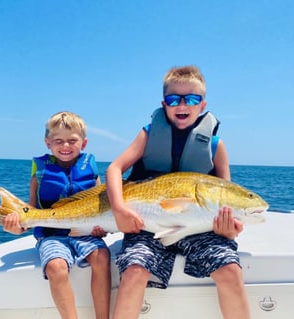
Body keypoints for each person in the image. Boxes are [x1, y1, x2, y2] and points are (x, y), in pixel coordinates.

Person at [105, 65, 250, 319]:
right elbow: (115, 168)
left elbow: (227, 195)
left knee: (229, 269)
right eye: (174, 99)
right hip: (147, 225)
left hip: (198, 229)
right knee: (134, 270)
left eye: (192, 98)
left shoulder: (216, 147)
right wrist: (118, 209)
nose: (182, 104)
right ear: (164, 103)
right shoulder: (148, 134)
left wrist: (229, 227)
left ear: (202, 104)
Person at [3, 111, 111, 319]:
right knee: (56, 267)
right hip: (53, 236)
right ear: (47, 142)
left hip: (86, 233)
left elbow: (100, 207)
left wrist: (102, 229)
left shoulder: (92, 170)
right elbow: (32, 212)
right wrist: (16, 226)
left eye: (72, 141)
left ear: (84, 143)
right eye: (58, 141)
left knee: (102, 257)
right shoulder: (40, 174)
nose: (66, 146)